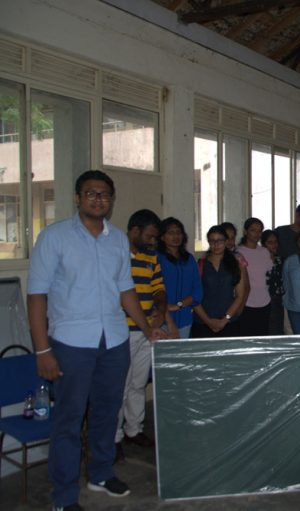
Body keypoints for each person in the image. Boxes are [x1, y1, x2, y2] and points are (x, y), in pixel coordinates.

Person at [27, 170, 165, 511]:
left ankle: (100, 474)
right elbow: (37, 296)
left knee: (107, 412)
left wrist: (147, 328)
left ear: (111, 200)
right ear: (78, 198)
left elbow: (126, 290)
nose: (98, 199)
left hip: (114, 340)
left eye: (104, 194)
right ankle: (64, 495)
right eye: (90, 193)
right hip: (71, 343)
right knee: (69, 419)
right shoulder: (54, 237)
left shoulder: (117, 239)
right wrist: (42, 350)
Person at [115, 209, 172, 458]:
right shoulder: (116, 255)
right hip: (123, 332)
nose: (153, 241)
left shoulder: (151, 257)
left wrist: (160, 310)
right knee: (120, 386)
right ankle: (114, 437)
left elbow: (158, 288)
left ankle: (133, 429)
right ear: (134, 231)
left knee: (138, 384)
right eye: (149, 236)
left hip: (148, 331)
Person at [192, 225, 248, 338]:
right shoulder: (200, 264)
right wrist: (208, 321)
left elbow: (240, 295)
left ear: (226, 241)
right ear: (208, 242)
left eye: (220, 240)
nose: (216, 244)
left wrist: (225, 319)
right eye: (212, 241)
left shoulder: (236, 263)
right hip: (203, 322)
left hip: (229, 322)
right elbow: (194, 297)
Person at [157, 217, 203, 340]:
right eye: (171, 233)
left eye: (178, 232)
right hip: (161, 321)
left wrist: (178, 305)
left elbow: (198, 291)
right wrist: (167, 311)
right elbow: (154, 291)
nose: (176, 236)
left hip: (185, 319)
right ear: (162, 237)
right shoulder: (157, 258)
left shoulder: (189, 259)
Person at [238, 218, 273, 336]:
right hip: (245, 302)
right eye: (253, 230)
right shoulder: (238, 252)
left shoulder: (264, 252)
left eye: (259, 231)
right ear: (245, 231)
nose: (256, 234)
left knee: (262, 336)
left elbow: (269, 273)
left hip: (264, 301)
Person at [262, 229, 285, 335]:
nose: (274, 245)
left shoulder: (281, 259)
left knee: (277, 328)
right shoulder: (259, 260)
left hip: (279, 298)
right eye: (270, 242)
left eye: (275, 242)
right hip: (263, 298)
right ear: (263, 244)